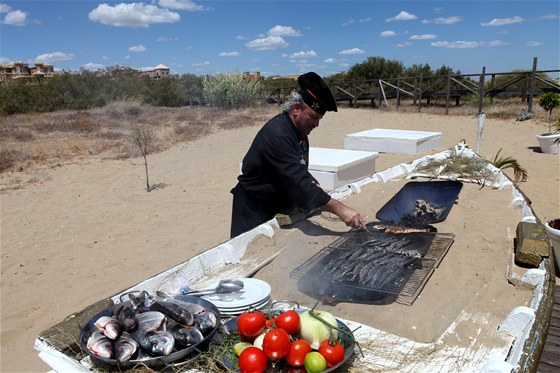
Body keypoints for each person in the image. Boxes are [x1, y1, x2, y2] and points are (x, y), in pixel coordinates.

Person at [230, 71, 366, 238]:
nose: (316, 124)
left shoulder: (298, 131)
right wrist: (341, 209)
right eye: (314, 117)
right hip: (254, 209)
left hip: (275, 206)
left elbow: (296, 169)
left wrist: (310, 180)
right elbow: (298, 182)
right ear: (296, 109)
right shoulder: (278, 134)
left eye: (319, 119)